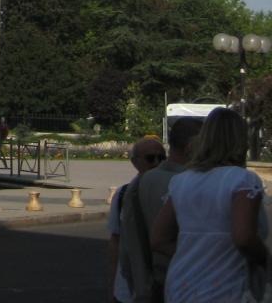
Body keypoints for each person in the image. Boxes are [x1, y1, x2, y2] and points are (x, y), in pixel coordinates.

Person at [151, 108, 269, 302]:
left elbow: (158, 239)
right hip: (224, 286)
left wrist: (196, 254)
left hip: (181, 284)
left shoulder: (182, 181)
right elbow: (244, 237)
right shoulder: (242, 180)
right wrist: (265, 259)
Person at [121, 119, 204, 303]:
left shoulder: (141, 182)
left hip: (153, 282)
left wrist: (138, 285)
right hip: (188, 280)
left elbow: (130, 237)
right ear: (192, 146)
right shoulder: (193, 182)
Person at [108, 136, 168, 302]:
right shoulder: (122, 194)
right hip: (127, 287)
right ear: (135, 162)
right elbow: (115, 240)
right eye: (150, 158)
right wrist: (112, 286)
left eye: (161, 158)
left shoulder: (174, 190)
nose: (157, 163)